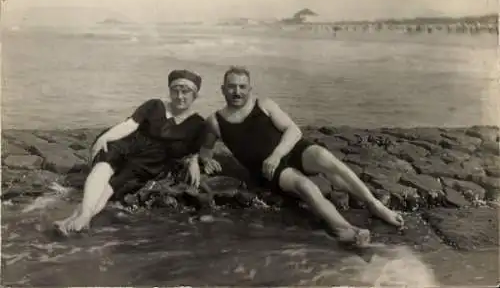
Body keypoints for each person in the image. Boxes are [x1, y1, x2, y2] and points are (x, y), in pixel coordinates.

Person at [199, 66, 404, 247]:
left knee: (324, 156)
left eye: (242, 87)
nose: (237, 92)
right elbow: (206, 148)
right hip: (268, 168)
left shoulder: (264, 104)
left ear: (250, 89)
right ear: (223, 89)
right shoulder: (215, 121)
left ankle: (374, 204)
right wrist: (207, 160)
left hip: (288, 150)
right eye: (232, 87)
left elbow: (293, 130)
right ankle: (346, 230)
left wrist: (277, 154)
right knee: (305, 186)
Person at [55, 69, 206, 235]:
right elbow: (130, 125)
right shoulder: (155, 105)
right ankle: (84, 215)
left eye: (185, 92)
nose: (179, 96)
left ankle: (79, 218)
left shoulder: (197, 123)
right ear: (169, 91)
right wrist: (104, 138)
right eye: (175, 91)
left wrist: (193, 162)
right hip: (129, 144)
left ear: (195, 95)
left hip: (149, 162)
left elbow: (194, 149)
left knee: (114, 185)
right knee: (104, 166)